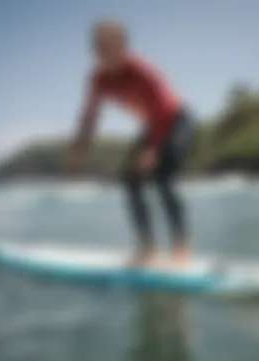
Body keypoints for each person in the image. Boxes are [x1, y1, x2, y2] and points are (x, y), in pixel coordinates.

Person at [68, 20, 196, 268]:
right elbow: (90, 116)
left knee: (163, 176)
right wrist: (79, 150)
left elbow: (161, 109)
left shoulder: (142, 70)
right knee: (130, 179)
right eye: (100, 50)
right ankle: (147, 248)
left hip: (178, 120)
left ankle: (180, 247)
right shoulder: (98, 79)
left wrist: (154, 149)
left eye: (112, 48)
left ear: (124, 47)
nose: (106, 56)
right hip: (153, 125)